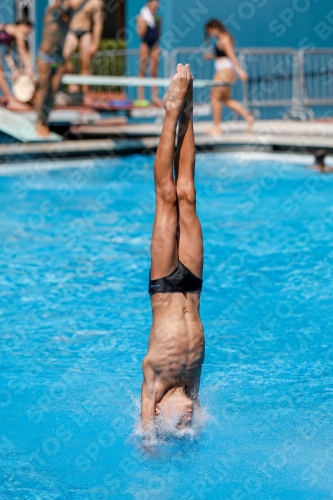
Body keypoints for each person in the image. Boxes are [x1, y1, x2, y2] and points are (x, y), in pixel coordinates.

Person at [141, 64, 205, 432]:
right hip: (193, 289)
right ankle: (189, 108)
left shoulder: (155, 381)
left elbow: (145, 436)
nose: (184, 419)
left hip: (165, 286)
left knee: (167, 196)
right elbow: (194, 416)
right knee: (188, 195)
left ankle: (171, 112)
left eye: (176, 423)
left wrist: (151, 439)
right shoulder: (191, 390)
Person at [35, 0, 89, 137]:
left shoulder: (68, 18)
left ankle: (44, 121)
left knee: (53, 92)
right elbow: (59, 5)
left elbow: (77, 5)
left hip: (58, 60)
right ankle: (38, 122)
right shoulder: (51, 14)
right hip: (45, 58)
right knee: (44, 90)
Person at [204, 19, 254, 135]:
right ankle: (248, 116)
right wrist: (211, 56)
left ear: (215, 27)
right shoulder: (221, 39)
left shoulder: (225, 39)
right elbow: (223, 55)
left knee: (215, 96)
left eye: (210, 31)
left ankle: (217, 127)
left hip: (225, 72)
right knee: (225, 99)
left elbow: (232, 56)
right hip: (225, 71)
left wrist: (240, 71)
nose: (210, 34)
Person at [63, 0, 103, 100]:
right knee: (64, 55)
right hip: (72, 30)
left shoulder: (95, 3)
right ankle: (73, 83)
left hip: (85, 31)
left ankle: (85, 94)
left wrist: (95, 43)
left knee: (86, 63)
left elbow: (98, 23)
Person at [0, 21, 33, 110]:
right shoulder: (18, 32)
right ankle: (11, 101)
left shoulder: (11, 33)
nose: (26, 34)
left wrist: (14, 70)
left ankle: (10, 99)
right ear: (23, 26)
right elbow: (23, 51)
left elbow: (7, 56)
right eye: (28, 31)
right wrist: (29, 69)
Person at [136, 0, 162, 106]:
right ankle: (140, 97)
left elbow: (157, 34)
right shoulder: (142, 17)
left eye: (156, 6)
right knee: (142, 70)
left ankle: (155, 97)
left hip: (154, 45)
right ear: (149, 5)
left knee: (154, 71)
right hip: (145, 44)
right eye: (153, 6)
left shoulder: (157, 19)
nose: (155, 8)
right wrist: (144, 24)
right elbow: (141, 34)